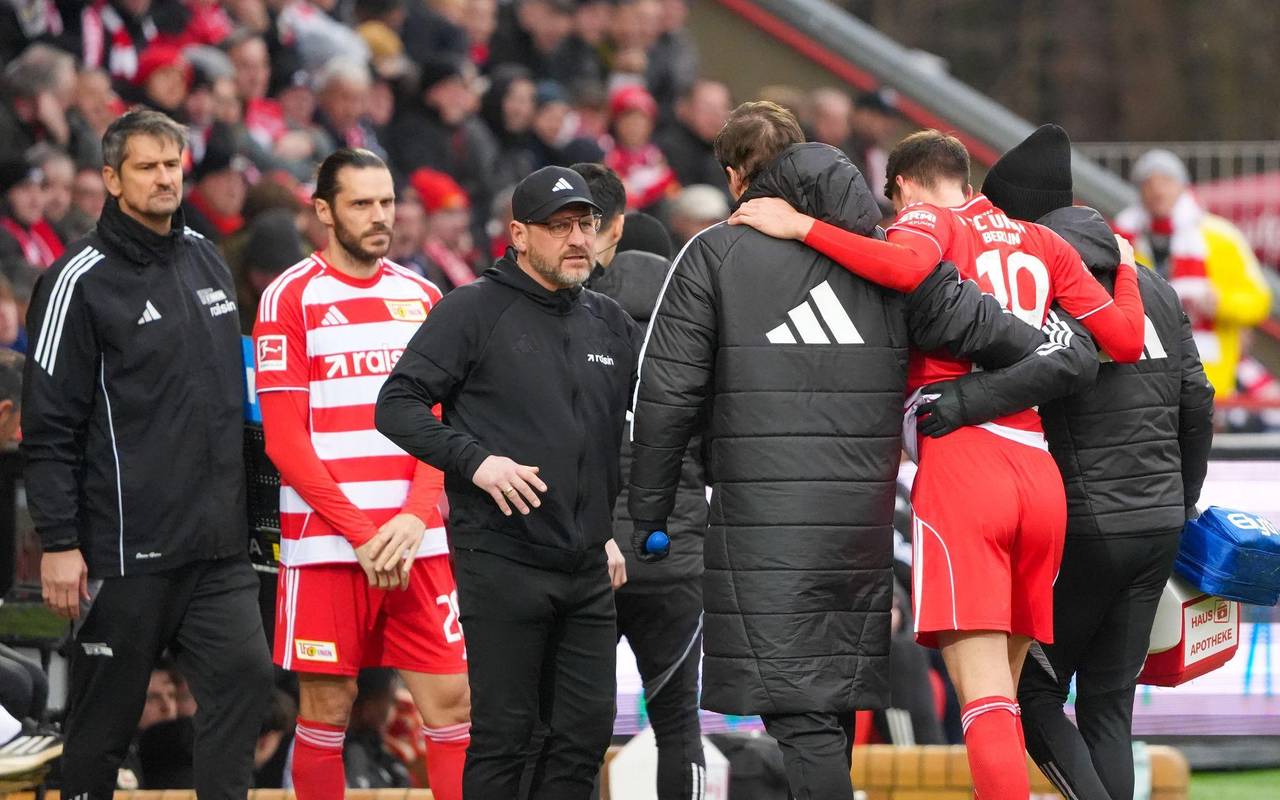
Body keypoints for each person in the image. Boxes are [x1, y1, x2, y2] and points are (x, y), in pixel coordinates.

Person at [629, 102, 1099, 800]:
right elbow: (1037, 349)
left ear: (737, 178)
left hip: (765, 527)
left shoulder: (715, 253)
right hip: (863, 527)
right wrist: (971, 399)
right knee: (831, 710)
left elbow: (664, 397)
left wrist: (649, 514)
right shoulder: (894, 262)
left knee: (808, 720)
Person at [731, 127, 1150, 799]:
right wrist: (1125, 266)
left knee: (982, 705)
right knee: (1008, 702)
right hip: (1038, 478)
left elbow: (901, 268)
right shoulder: (1042, 242)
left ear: (904, 185)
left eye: (892, 202)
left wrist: (801, 224)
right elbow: (1125, 340)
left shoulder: (928, 218)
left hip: (966, 467)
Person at [940, 126, 1215, 800]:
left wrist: (960, 401)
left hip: (1083, 524)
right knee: (1108, 706)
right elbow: (1198, 402)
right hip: (1154, 522)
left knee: (1029, 691)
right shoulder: (1148, 283)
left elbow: (1047, 374)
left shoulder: (1042, 284)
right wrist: (1178, 504)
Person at [22, 108, 271, 799]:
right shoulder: (76, 281)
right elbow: (47, 428)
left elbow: (232, 401)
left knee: (247, 679)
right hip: (125, 552)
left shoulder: (205, 257)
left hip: (217, 546)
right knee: (102, 728)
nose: (165, 178)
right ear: (110, 177)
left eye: (172, 164)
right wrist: (60, 541)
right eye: (147, 166)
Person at [375, 165, 637, 800]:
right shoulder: (472, 308)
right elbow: (397, 403)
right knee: (504, 740)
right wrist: (475, 460)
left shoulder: (608, 320)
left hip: (586, 567)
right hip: (503, 559)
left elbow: (617, 436)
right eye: (558, 227)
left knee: (580, 741)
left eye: (585, 224)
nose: (577, 239)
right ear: (519, 234)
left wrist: (607, 528)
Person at [252, 148, 470, 800]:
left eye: (386, 202)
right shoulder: (288, 298)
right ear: (323, 211)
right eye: (362, 204)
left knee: (453, 703)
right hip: (327, 546)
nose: (382, 218)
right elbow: (286, 442)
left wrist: (411, 516)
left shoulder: (424, 295)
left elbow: (436, 426)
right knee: (327, 708)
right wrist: (360, 532)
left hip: (417, 539)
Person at [575, 162, 709, 800]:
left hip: (590, 552)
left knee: (579, 725)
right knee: (678, 722)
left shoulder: (572, 319)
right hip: (674, 553)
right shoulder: (697, 327)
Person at [1114, 148, 1271, 399]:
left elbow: (1259, 300)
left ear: (1183, 186)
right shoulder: (1122, 238)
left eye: (1165, 180)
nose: (1157, 190)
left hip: (1208, 376)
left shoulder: (1220, 237)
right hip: (1142, 376)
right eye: (1148, 182)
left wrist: (1220, 303)